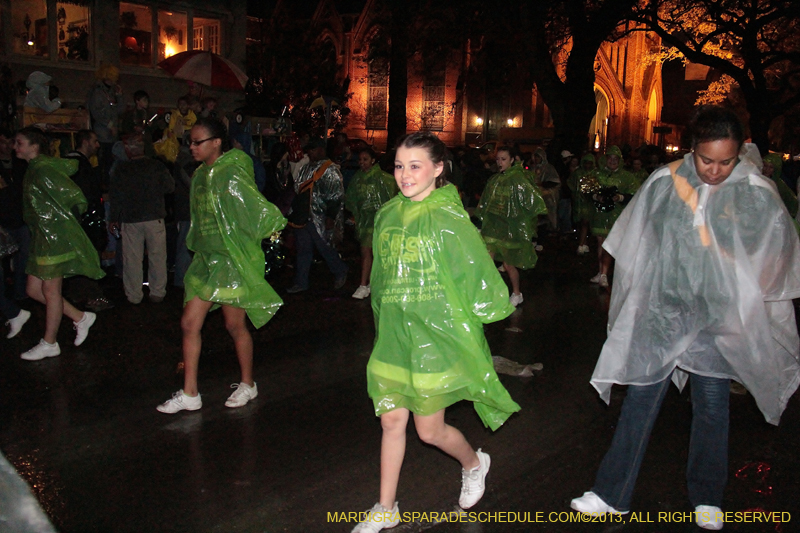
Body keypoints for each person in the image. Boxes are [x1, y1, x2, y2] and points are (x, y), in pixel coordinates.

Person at [570, 106, 800, 531]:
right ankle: (611, 493)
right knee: (641, 395)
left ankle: (708, 496)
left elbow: (776, 253)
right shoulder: (665, 181)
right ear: (692, 150)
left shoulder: (754, 189)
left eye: (726, 162)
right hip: (665, 312)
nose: (715, 171)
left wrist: (745, 291)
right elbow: (637, 242)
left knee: (712, 404)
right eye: (706, 160)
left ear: (739, 154)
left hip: (716, 318)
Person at [352, 132, 520, 533]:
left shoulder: (448, 218)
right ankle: (386, 505)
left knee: (429, 431)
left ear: (438, 169)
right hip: (395, 334)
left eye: (415, 166)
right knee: (392, 421)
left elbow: (474, 271)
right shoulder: (388, 214)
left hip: (434, 338)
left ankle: (474, 463)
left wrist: (478, 320)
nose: (404, 175)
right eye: (398, 165)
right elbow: (382, 276)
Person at [157, 117, 287, 414]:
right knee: (189, 323)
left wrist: (273, 227)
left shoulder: (232, 173)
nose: (191, 147)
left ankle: (248, 383)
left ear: (216, 142)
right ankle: (190, 393)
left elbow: (252, 207)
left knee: (234, 325)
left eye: (197, 142)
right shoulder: (202, 175)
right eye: (189, 142)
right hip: (207, 260)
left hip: (230, 260)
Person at [15, 127, 104, 361]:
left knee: (50, 291)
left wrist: (60, 223)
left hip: (52, 239)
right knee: (33, 290)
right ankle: (80, 317)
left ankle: (50, 342)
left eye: (20, 143)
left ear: (34, 147)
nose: (16, 147)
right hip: (43, 238)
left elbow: (74, 196)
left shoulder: (42, 169)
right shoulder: (35, 168)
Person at [475, 146, 547, 307]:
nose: (500, 163)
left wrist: (524, 224)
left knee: (508, 264)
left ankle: (516, 293)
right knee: (487, 260)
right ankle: (487, 294)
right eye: (498, 159)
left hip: (509, 229)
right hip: (493, 227)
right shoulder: (495, 180)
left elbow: (532, 202)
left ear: (512, 160)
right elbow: (486, 202)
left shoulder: (518, 180)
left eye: (503, 159)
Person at [109, 135, 175, 305]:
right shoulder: (157, 166)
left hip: (131, 218)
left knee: (132, 259)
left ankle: (134, 295)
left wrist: (113, 219)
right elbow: (170, 187)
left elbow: (115, 197)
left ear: (128, 150)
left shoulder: (121, 169)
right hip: (155, 217)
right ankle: (158, 292)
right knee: (158, 256)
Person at [285, 137, 348, 293]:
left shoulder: (330, 170)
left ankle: (340, 271)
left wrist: (330, 217)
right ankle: (301, 282)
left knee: (324, 247)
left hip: (319, 216)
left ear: (321, 150)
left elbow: (336, 196)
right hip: (303, 216)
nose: (310, 153)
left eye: (312, 150)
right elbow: (297, 189)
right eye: (309, 150)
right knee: (303, 250)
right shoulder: (307, 167)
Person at [344, 147, 397, 299]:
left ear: (373, 160)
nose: (362, 163)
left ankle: (369, 284)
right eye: (360, 160)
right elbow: (351, 199)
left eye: (365, 159)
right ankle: (364, 284)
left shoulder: (384, 179)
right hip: (365, 221)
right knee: (366, 251)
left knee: (377, 253)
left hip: (381, 221)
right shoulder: (357, 178)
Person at [587, 145, 639, 288]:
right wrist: (596, 196)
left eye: (616, 159)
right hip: (600, 214)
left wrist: (620, 197)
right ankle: (601, 271)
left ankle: (604, 273)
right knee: (600, 243)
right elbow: (586, 190)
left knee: (610, 243)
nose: (612, 161)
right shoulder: (597, 174)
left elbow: (635, 193)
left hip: (617, 215)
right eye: (610, 158)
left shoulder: (627, 177)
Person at [0, 129, 30, 300]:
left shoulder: (20, 165)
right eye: (2, 142)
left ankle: (21, 293)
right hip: (3, 220)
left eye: (9, 142)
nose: (6, 146)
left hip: (21, 218)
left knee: (23, 258)